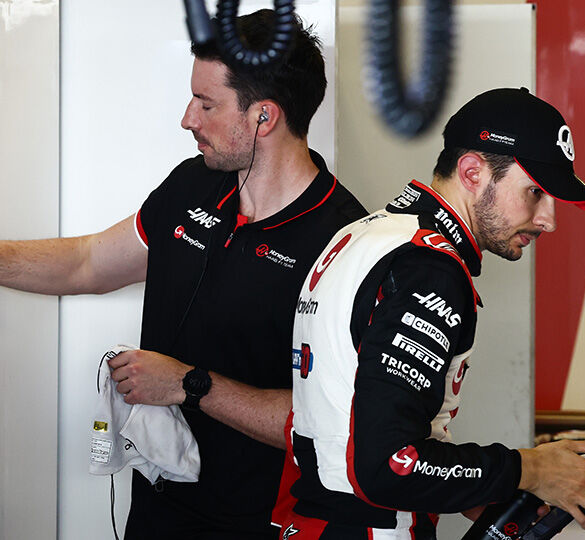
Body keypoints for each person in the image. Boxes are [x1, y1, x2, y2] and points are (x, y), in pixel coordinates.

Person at [0, 9, 366, 539]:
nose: (187, 118)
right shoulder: (194, 184)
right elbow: (89, 263)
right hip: (159, 500)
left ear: (264, 116)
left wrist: (190, 385)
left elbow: (332, 423)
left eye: (207, 103)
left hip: (259, 518)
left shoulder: (343, 242)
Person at [273, 88, 585, 539]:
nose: (548, 219)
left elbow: (357, 425)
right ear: (472, 172)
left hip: (314, 520)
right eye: (535, 192)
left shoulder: (369, 234)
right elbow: (389, 465)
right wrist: (527, 470)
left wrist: (478, 492)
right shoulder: (428, 268)